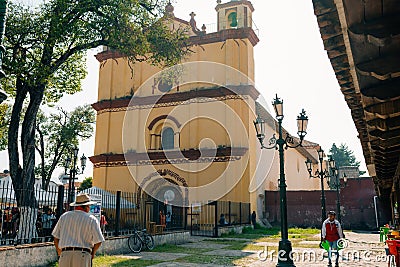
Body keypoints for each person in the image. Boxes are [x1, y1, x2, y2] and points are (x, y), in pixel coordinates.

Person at [52, 193, 105, 267]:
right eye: (89, 206)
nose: (89, 208)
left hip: (65, 254)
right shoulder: (91, 219)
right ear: (86, 207)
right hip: (82, 255)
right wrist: (92, 253)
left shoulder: (64, 216)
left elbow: (56, 237)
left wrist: (59, 252)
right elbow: (99, 240)